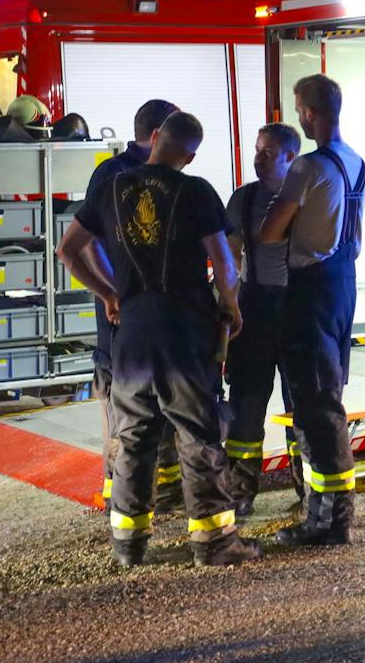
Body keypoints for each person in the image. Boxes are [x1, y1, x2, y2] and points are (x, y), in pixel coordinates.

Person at [58, 111, 258, 568]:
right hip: (183, 331)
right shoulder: (195, 190)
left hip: (130, 330)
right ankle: (214, 543)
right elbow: (223, 263)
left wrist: (109, 293)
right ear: (188, 154)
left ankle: (128, 544)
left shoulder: (112, 188)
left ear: (155, 141)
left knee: (132, 437)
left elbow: (68, 250)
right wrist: (231, 304)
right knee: (197, 433)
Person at [258, 75, 365, 547]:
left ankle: (328, 521)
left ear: (308, 113)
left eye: (299, 108)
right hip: (344, 283)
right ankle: (327, 514)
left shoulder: (306, 168)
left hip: (311, 287)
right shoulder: (356, 161)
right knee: (331, 391)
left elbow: (271, 231)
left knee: (315, 402)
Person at [83, 99, 183, 507]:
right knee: (125, 408)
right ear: (159, 134)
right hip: (122, 319)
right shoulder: (114, 176)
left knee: (155, 404)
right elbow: (85, 244)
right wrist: (114, 293)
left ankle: (163, 488)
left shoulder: (126, 172)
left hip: (147, 316)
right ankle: (121, 495)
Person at [222, 121, 303, 516]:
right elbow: (229, 258)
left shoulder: (308, 198)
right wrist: (228, 306)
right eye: (257, 150)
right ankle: (240, 490)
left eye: (267, 153)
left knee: (301, 402)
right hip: (253, 309)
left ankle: (309, 487)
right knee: (246, 403)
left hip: (296, 307)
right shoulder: (244, 199)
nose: (257, 158)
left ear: (291, 157)